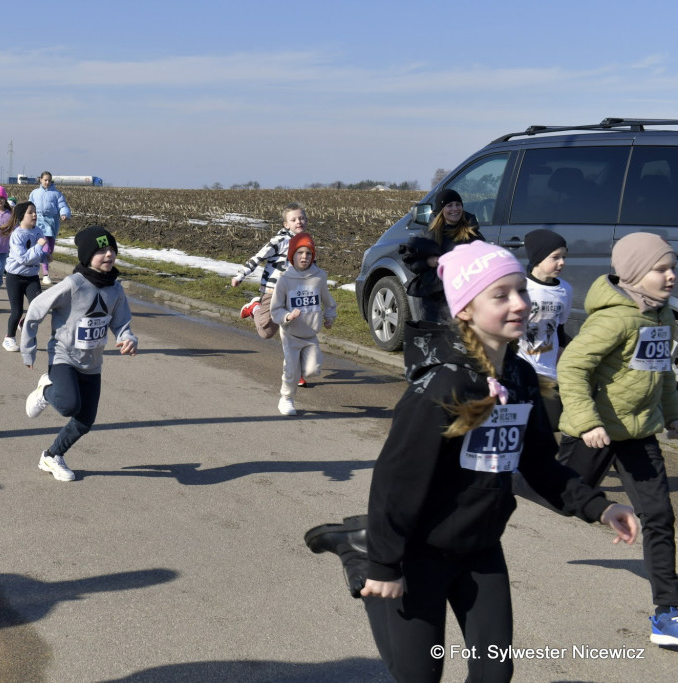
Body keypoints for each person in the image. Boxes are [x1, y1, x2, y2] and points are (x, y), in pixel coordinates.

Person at [305, 241, 639, 681]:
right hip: (418, 553)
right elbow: (397, 478)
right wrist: (386, 565)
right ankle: (363, 557)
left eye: (521, 290)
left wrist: (600, 506)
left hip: (481, 549)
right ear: (465, 309)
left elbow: (539, 463)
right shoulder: (443, 386)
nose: (520, 303)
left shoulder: (519, 377)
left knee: (494, 674)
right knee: (420, 674)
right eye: (500, 295)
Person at [551, 232, 678, 647]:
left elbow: (663, 376)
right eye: (661, 269)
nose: (671, 276)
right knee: (559, 493)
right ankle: (508, 476)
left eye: (672, 267)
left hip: (638, 433)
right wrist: (587, 423)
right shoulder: (615, 318)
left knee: (659, 516)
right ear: (637, 274)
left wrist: (673, 417)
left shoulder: (663, 316)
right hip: (596, 433)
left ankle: (667, 612)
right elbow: (570, 367)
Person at [20, 225, 138, 482]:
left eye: (111, 250)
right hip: (64, 356)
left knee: (85, 421)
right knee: (69, 405)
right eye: (101, 250)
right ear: (86, 256)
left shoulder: (115, 290)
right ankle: (46, 391)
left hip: (92, 364)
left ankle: (51, 456)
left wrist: (127, 338)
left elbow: (121, 324)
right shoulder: (73, 285)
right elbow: (37, 309)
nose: (108, 255)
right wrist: (27, 349)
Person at [269, 233, 336, 416]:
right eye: (300, 253)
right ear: (292, 255)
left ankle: (298, 371)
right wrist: (288, 316)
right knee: (292, 370)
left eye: (308, 253)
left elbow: (328, 301)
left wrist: (330, 317)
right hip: (290, 333)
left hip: (310, 334)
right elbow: (276, 309)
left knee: (313, 370)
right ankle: (286, 399)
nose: (304, 257)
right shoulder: (284, 279)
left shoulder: (319, 277)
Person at [400, 188, 485, 323]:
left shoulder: (472, 234)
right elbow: (410, 261)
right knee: (435, 338)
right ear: (441, 210)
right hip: (433, 298)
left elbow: (484, 260)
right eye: (449, 205)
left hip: (462, 296)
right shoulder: (428, 234)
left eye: (458, 205)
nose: (455, 209)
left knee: (460, 339)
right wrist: (429, 262)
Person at [517, 229, 572, 428]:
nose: (562, 262)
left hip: (548, 372)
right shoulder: (521, 287)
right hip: (521, 369)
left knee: (552, 425)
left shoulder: (564, 289)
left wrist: (561, 363)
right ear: (538, 258)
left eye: (564, 257)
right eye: (555, 257)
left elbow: (560, 329)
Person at [231, 202, 307, 340]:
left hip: (294, 290)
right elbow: (258, 257)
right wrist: (240, 275)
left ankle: (296, 357)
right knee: (266, 332)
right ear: (286, 224)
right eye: (294, 220)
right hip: (274, 289)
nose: (298, 222)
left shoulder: (306, 241)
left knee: (296, 325)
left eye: (301, 218)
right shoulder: (280, 241)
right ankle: (254, 307)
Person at [2, 201, 46, 351]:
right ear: (21, 216)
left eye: (35, 212)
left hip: (32, 276)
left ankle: (24, 323)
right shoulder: (17, 235)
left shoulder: (38, 231)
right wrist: (40, 246)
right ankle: (9, 338)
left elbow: (38, 255)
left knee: (38, 307)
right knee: (17, 311)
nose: (34, 215)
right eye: (30, 212)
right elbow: (23, 258)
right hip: (15, 277)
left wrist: (46, 257)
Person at [28, 171, 71, 285]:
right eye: (45, 180)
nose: (47, 182)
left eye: (49, 180)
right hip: (38, 222)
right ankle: (45, 274)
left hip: (52, 223)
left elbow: (63, 206)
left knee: (49, 250)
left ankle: (37, 267)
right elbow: (29, 207)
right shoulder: (35, 193)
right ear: (40, 180)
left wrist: (64, 214)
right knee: (42, 248)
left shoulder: (57, 194)